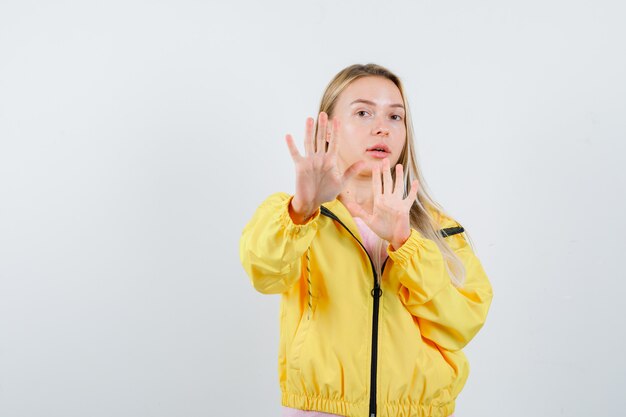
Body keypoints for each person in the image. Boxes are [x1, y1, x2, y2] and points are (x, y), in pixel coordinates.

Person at [239, 63, 493, 417]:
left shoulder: (440, 230)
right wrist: (303, 209)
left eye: (395, 117)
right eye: (363, 112)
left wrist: (405, 243)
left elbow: (461, 323)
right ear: (327, 126)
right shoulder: (293, 218)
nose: (381, 128)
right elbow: (263, 272)